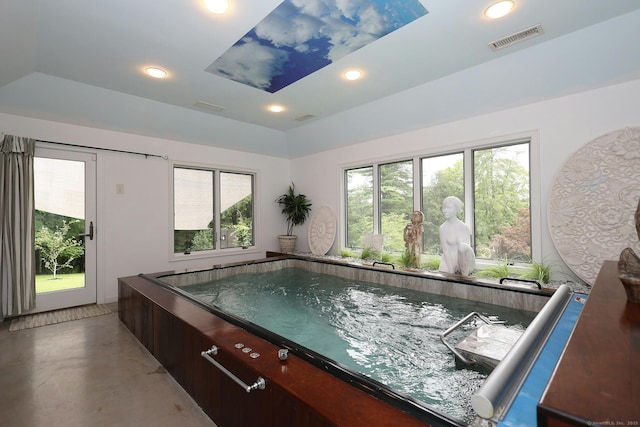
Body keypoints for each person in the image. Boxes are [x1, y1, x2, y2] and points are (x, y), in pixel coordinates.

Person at [439, 196, 475, 276]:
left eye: (448, 208)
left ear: (456, 209)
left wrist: (462, 270)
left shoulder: (465, 227)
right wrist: (452, 271)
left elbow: (465, 251)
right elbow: (446, 251)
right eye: (444, 207)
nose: (445, 210)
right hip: (448, 264)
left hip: (461, 263)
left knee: (463, 247)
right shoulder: (443, 228)